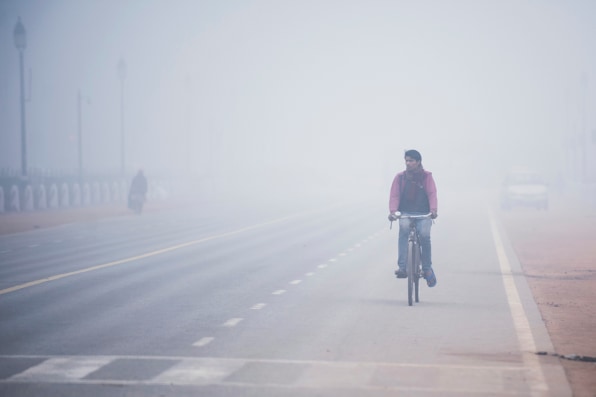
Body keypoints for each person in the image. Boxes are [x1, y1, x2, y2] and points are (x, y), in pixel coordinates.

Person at [388, 149, 438, 287]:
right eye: (406, 160)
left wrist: (433, 210)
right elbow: (394, 195)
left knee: (424, 235)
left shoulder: (427, 177)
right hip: (405, 213)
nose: (408, 163)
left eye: (411, 160)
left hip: (424, 214)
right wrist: (393, 211)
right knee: (403, 230)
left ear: (418, 162)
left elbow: (432, 194)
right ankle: (403, 267)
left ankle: (427, 268)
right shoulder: (400, 177)